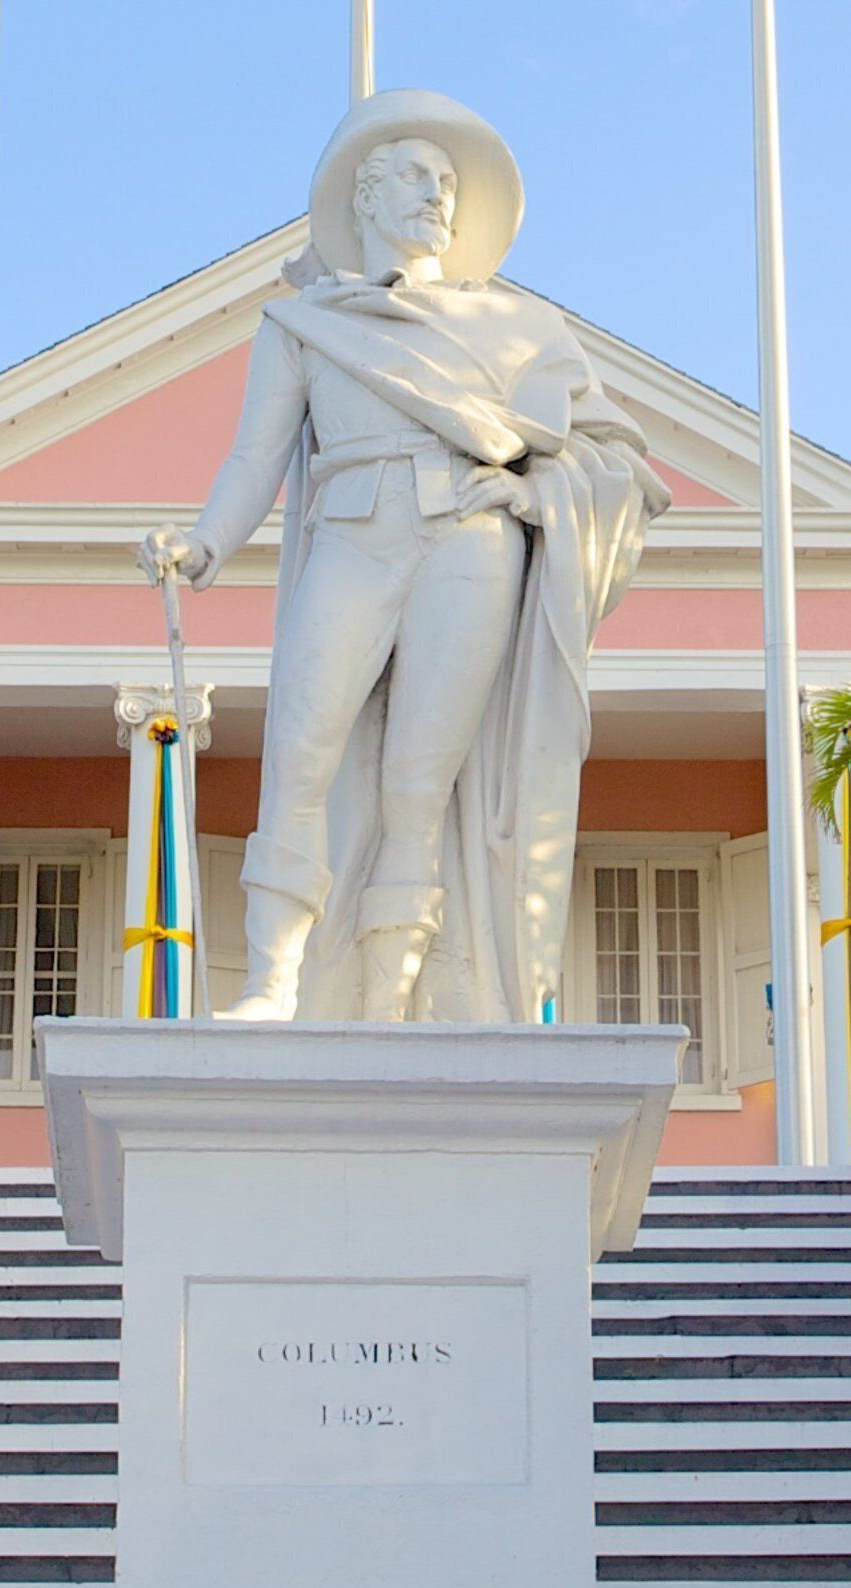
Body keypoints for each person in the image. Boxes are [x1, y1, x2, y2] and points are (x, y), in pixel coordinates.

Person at [144, 89, 669, 1022]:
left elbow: (618, 460)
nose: (438, 196)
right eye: (417, 176)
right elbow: (255, 456)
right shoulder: (305, 323)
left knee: (417, 786)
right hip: (355, 532)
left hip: (470, 541)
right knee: (300, 753)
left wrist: (532, 495)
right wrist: (207, 539)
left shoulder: (522, 329)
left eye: (448, 183)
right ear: (367, 195)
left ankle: (390, 1001)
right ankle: (274, 981)